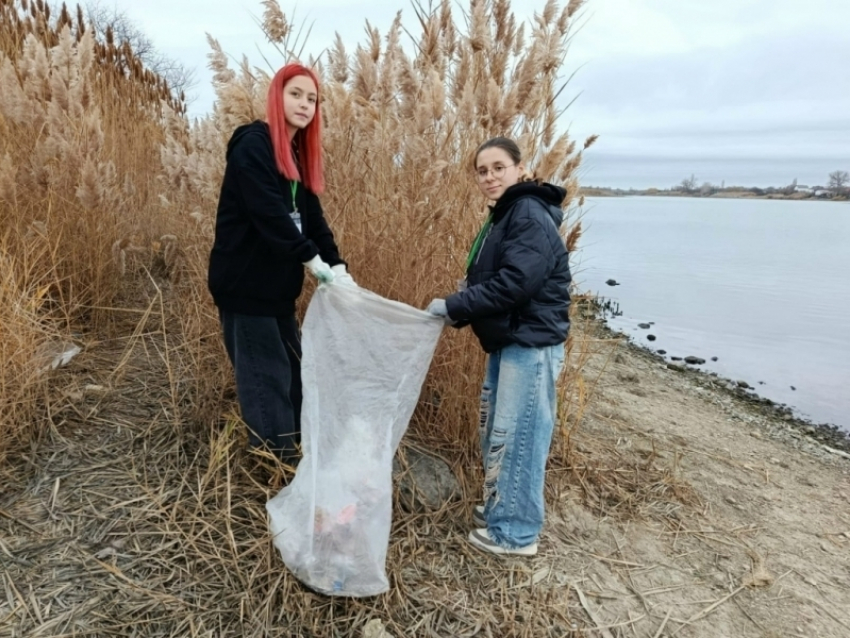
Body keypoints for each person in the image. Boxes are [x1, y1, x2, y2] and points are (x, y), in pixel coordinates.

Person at [427, 137, 571, 556]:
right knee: (499, 432)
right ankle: (500, 509)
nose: (489, 176)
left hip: (531, 342)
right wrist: (467, 293)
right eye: (482, 170)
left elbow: (516, 283)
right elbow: (501, 274)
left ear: (520, 168)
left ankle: (516, 533)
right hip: (511, 337)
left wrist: (455, 306)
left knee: (521, 436)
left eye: (498, 167)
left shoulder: (526, 212)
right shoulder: (507, 213)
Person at [208, 63, 356, 465]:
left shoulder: (296, 155)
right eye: (296, 94)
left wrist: (337, 265)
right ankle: (275, 468)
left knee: (294, 374)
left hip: (276, 290)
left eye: (312, 99)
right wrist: (310, 258)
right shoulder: (252, 145)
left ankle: (297, 455)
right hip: (244, 286)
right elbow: (268, 213)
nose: (305, 104)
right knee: (266, 379)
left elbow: (313, 218)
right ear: (277, 96)